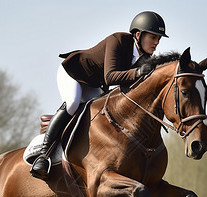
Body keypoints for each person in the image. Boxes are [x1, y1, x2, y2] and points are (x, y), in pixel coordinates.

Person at [30, 11, 168, 179]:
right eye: (153, 37)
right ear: (138, 35)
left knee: (99, 115)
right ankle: (43, 156)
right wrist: (138, 72)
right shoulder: (118, 40)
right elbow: (110, 77)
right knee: (73, 103)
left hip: (93, 84)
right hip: (73, 72)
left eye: (158, 39)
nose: (156, 43)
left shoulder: (145, 58)